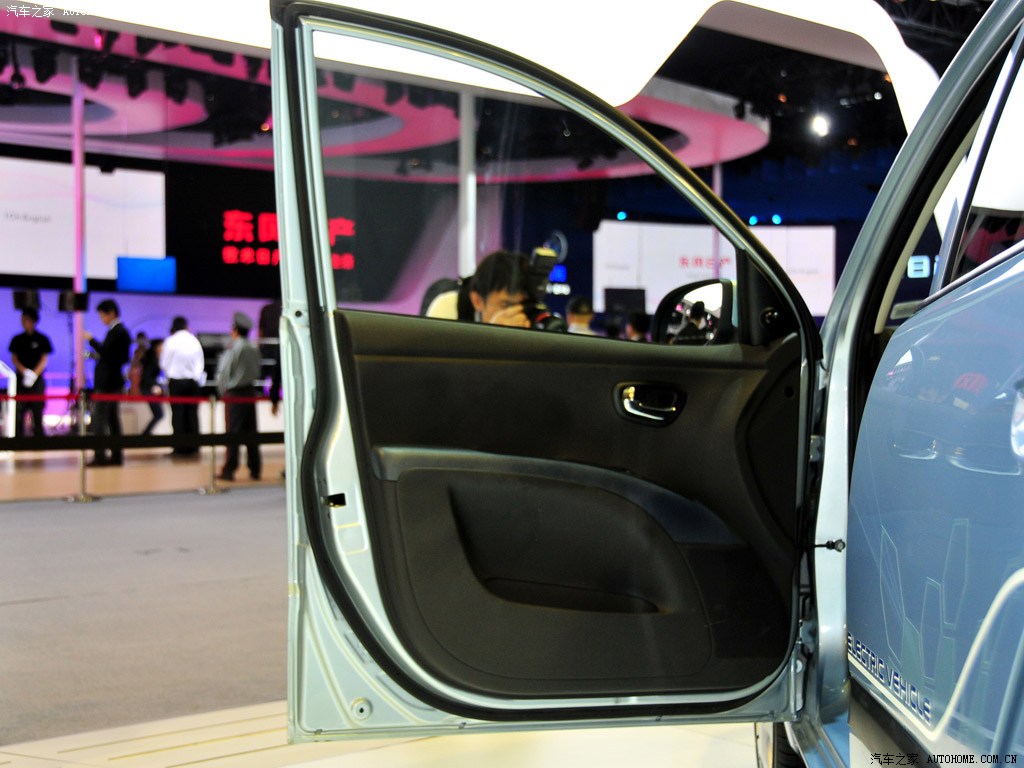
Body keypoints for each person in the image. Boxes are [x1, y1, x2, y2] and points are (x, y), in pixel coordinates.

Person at [215, 312, 262, 481]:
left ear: (235, 329)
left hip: (235, 394)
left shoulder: (234, 347)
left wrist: (222, 391)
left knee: (233, 433)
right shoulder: (253, 347)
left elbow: (224, 372)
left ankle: (229, 469)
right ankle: (255, 468)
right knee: (251, 433)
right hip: (250, 393)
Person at [84, 299, 131, 466]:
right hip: (111, 382)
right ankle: (115, 456)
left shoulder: (118, 331)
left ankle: (100, 455)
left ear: (111, 313)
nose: (101, 319)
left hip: (108, 384)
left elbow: (109, 354)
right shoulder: (118, 331)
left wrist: (91, 340)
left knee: (100, 419)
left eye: (102, 315)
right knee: (112, 420)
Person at [160, 316, 205, 458]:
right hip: (192, 382)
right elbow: (200, 363)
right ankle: (194, 447)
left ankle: (179, 448)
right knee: (192, 415)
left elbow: (164, 363)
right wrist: (196, 378)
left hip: (176, 382)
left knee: (178, 415)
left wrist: (170, 374)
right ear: (186, 326)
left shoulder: (170, 341)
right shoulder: (194, 341)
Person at [8, 307, 53, 437]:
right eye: (22, 319)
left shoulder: (42, 339)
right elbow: (14, 358)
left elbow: (44, 359)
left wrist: (34, 374)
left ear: (33, 321)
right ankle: (18, 438)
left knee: (37, 410)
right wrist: (24, 372)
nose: (23, 322)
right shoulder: (17, 339)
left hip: (37, 380)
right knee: (19, 410)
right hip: (20, 379)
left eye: (26, 319)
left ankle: (38, 438)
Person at [467, 250, 532, 327]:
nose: (519, 316)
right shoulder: (455, 326)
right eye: (506, 305)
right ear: (477, 301)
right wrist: (494, 333)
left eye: (525, 305)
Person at [139, 338, 166, 435]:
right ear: (156, 347)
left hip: (148, 388)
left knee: (159, 413)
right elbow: (147, 375)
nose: (163, 348)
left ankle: (146, 433)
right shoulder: (152, 360)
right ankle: (145, 434)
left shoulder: (154, 358)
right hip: (148, 388)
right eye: (161, 346)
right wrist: (154, 386)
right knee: (159, 413)